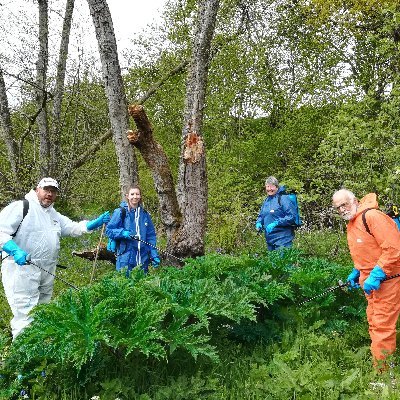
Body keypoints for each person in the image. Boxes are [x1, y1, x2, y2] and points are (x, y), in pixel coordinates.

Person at [0, 177, 111, 339]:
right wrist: (14, 250)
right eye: (46, 190)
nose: (49, 194)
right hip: (21, 270)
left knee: (42, 311)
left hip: (46, 271)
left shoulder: (53, 214)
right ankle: (22, 356)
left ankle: (40, 350)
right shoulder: (21, 207)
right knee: (24, 314)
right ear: (37, 189)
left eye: (53, 191)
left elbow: (72, 228)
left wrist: (93, 224)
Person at [332, 188, 400, 367]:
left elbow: (394, 249)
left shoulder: (371, 217)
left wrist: (376, 274)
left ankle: (384, 374)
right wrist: (358, 272)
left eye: (344, 204)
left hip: (388, 279)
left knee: (382, 326)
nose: (342, 210)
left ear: (354, 200)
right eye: (338, 208)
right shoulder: (353, 222)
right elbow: (368, 251)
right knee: (374, 321)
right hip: (370, 282)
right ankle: (382, 363)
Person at [106, 185, 160, 274]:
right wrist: (122, 233)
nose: (135, 197)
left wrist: (154, 255)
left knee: (142, 285)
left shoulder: (145, 214)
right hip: (125, 257)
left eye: (137, 194)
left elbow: (151, 236)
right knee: (124, 284)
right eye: (132, 194)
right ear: (127, 196)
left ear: (140, 196)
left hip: (143, 258)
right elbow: (109, 230)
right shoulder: (120, 212)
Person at [255, 176, 297, 251]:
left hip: (283, 239)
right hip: (270, 240)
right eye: (267, 187)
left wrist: (276, 223)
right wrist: (259, 222)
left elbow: (291, 216)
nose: (269, 189)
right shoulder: (266, 200)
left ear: (277, 187)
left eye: (272, 186)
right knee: (272, 262)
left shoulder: (283, 198)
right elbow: (262, 215)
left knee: (283, 262)